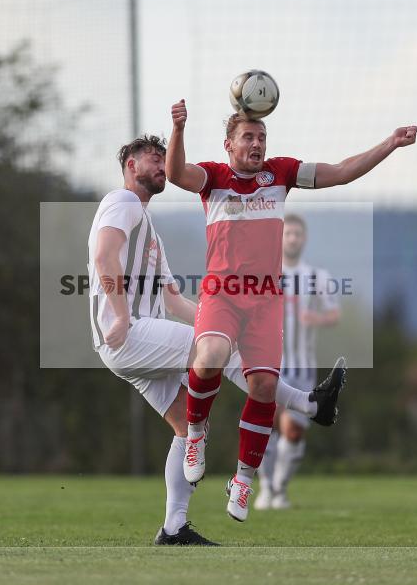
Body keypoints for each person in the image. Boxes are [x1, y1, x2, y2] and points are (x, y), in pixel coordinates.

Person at [166, 99, 417, 521]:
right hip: (222, 293)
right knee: (209, 357)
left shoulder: (280, 173)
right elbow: (176, 174)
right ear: (229, 144)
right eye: (248, 137)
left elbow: (341, 172)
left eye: (262, 137)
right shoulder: (214, 177)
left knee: (264, 386)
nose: (257, 144)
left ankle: (243, 481)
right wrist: (178, 129)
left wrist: (389, 144)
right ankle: (195, 435)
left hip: (265, 299)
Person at [88, 135, 346, 545]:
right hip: (129, 332)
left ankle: (174, 527)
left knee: (188, 425)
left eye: (163, 159)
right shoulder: (123, 202)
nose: (161, 165)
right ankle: (308, 403)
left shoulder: (150, 231)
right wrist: (119, 315)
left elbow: (174, 301)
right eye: (152, 158)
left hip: (137, 339)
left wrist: (225, 324)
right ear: (130, 166)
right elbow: (104, 257)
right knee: (214, 351)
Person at [254, 214, 341, 510]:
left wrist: (316, 318)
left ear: (304, 239)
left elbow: (334, 314)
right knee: (266, 424)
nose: (292, 239)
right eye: (287, 233)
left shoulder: (316, 277)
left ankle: (280, 490)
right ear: (279, 238)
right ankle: (267, 488)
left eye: (297, 234)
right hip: (269, 361)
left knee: (293, 430)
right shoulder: (265, 274)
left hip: (301, 365)